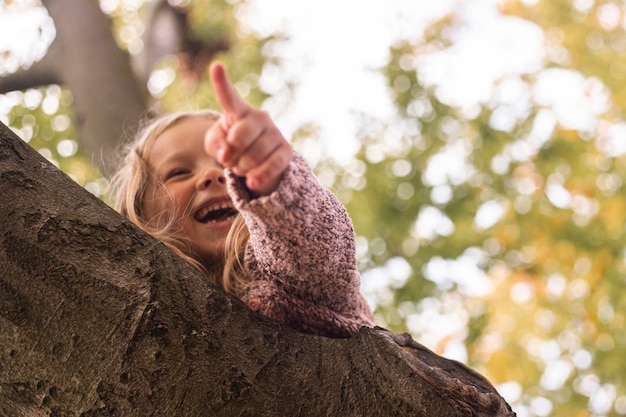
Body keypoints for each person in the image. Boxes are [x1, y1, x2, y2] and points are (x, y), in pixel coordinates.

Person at [109, 63, 374, 338]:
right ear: (141, 215)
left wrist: (271, 183)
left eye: (228, 163)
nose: (212, 175)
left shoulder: (275, 265)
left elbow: (319, 258)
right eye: (179, 172)